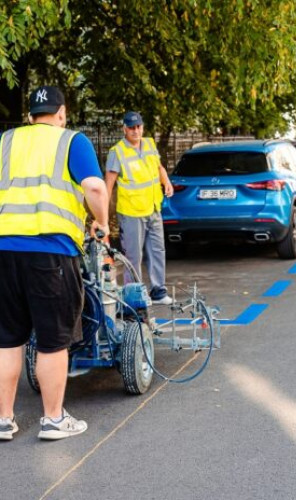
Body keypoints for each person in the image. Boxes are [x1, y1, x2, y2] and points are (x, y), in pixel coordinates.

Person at [0, 85, 109, 441]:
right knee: (52, 340)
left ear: (30, 115)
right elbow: (94, 187)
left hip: (4, 251)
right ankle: (52, 419)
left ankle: (3, 420)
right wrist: (103, 224)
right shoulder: (71, 141)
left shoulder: (6, 141)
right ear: (61, 113)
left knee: (7, 339)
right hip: (50, 252)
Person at [105, 111, 174, 305]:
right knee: (133, 256)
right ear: (124, 129)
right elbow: (108, 183)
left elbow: (159, 167)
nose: (136, 131)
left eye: (138, 127)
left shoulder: (150, 144)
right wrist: (102, 216)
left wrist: (166, 181)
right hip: (131, 211)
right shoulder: (117, 152)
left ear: (142, 127)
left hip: (153, 207)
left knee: (158, 250)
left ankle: (158, 291)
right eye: (131, 128)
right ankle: (133, 296)